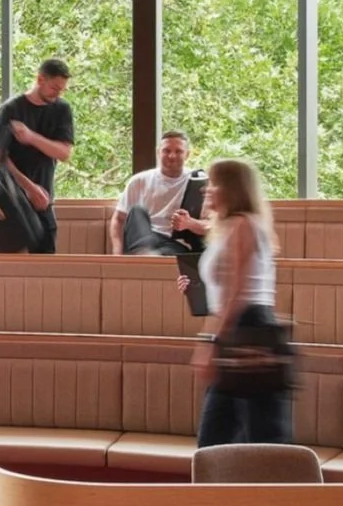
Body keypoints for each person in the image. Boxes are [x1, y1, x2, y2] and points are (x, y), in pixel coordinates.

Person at [177, 159, 291, 447]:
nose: (206, 189)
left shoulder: (243, 225)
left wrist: (212, 342)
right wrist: (197, 290)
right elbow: (224, 291)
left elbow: (237, 293)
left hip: (249, 329)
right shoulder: (227, 228)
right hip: (237, 326)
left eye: (213, 184)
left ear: (231, 188)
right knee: (222, 439)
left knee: (257, 439)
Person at [0, 59, 74, 254]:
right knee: (1, 262)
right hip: (9, 197)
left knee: (45, 259)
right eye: (54, 88)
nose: (58, 94)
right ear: (40, 79)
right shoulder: (11, 109)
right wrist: (29, 187)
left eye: (62, 90)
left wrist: (31, 137)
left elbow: (64, 153)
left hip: (43, 197)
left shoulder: (62, 109)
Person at [110, 130, 208, 255]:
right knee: (137, 211)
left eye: (178, 151)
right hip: (144, 238)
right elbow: (119, 219)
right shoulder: (139, 180)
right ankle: (146, 255)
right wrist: (117, 254)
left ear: (187, 154)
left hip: (174, 243)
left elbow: (212, 227)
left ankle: (148, 258)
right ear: (158, 152)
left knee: (162, 255)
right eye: (166, 151)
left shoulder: (198, 183)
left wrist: (189, 223)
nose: (172, 156)